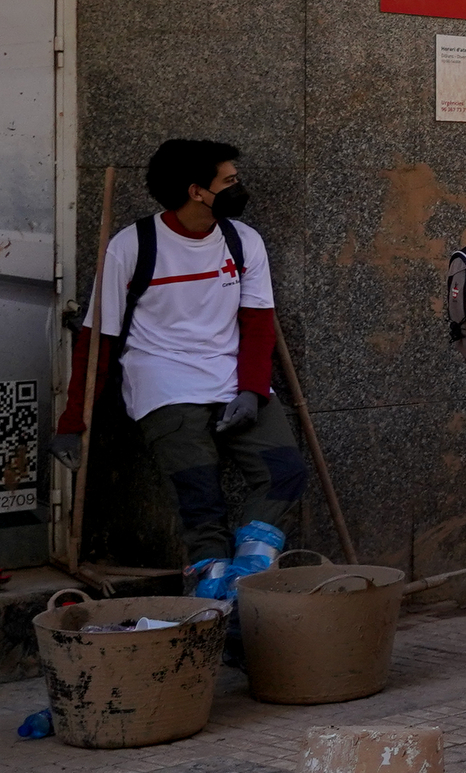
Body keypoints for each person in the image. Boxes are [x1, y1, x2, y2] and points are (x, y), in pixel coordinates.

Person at [50, 139, 306, 601]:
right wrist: (72, 422)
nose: (238, 187)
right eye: (229, 181)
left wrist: (251, 390)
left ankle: (248, 575)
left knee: (284, 471)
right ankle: (211, 596)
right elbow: (97, 341)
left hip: (233, 377)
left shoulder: (243, 241)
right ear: (196, 192)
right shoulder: (131, 247)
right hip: (163, 382)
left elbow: (258, 324)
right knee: (199, 494)